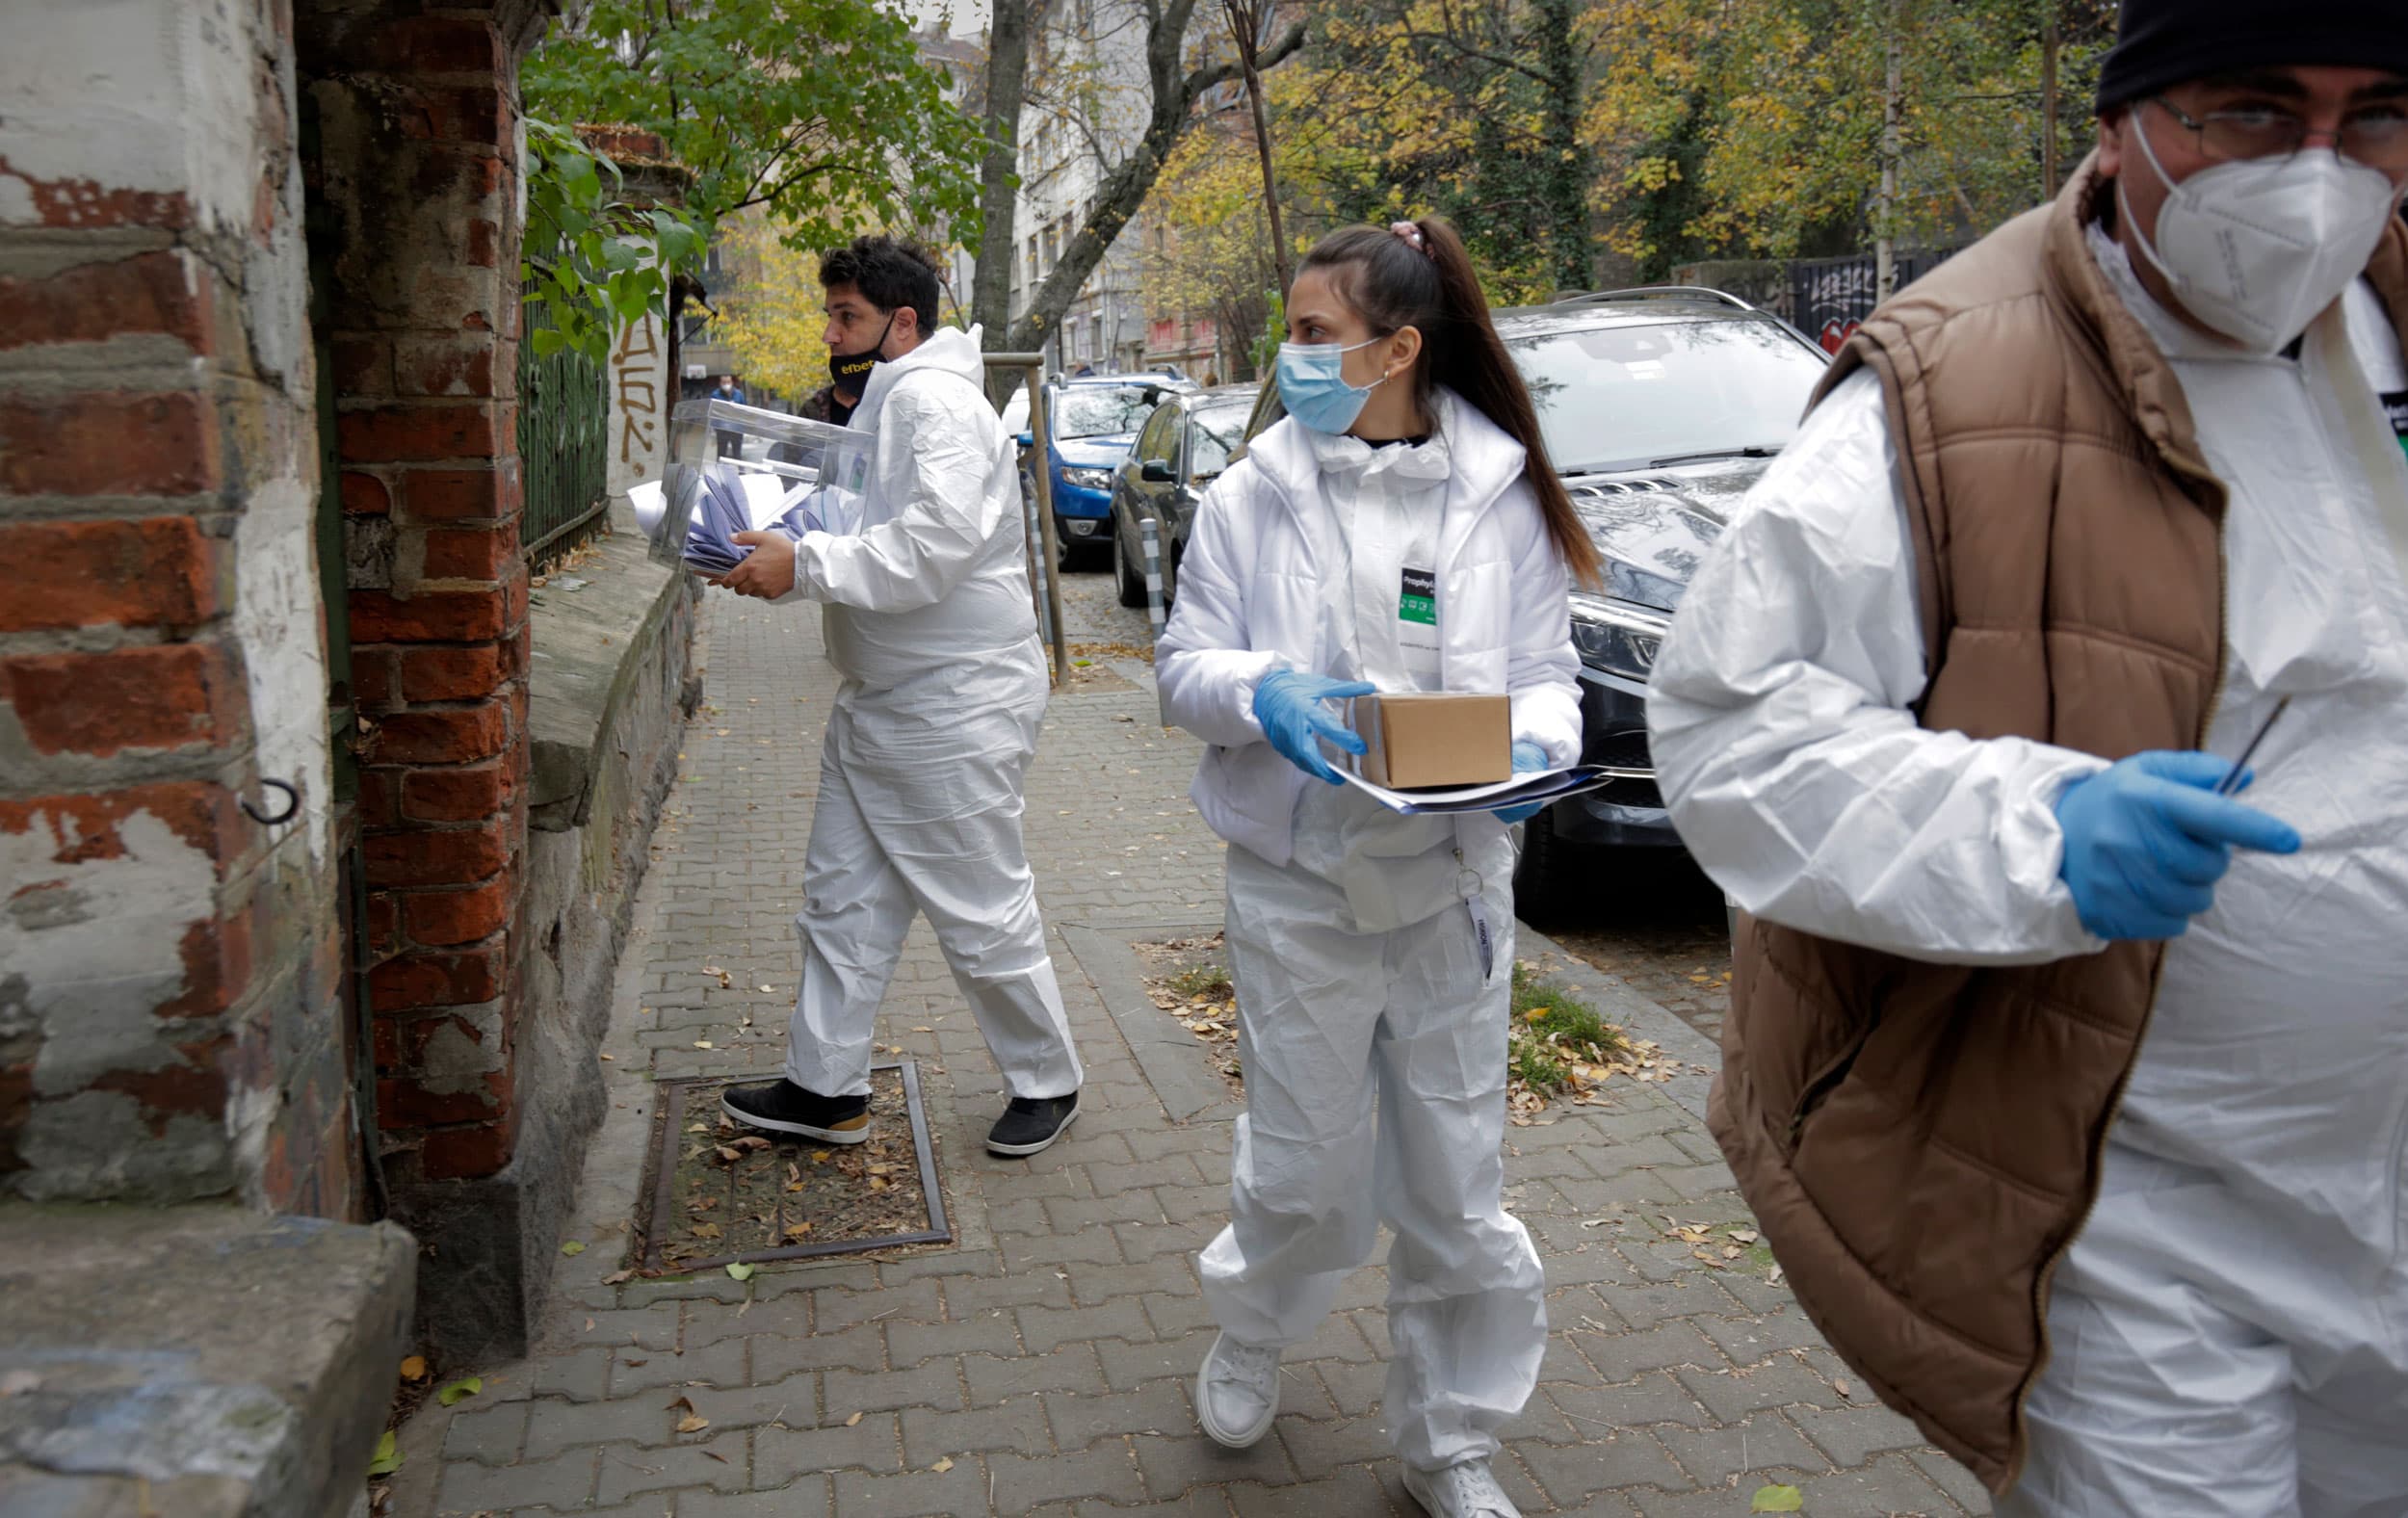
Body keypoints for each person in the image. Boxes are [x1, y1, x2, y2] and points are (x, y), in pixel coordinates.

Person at [1645, 4, 2408, 1511]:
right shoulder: (1950, 388)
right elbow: (1734, 728)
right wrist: (2045, 829)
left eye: (2373, 116)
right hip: (2135, 1222)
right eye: (2253, 112)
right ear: (2126, 121)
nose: (2318, 175)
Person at [1157, 217, 1597, 1518]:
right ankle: (1253, 1328)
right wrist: (1264, 689)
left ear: (1398, 349)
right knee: (1301, 1165)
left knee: (1458, 1180)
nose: (1284, 356)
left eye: (1310, 335)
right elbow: (1184, 670)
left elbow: (1552, 689)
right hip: (1298, 886)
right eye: (1286, 333)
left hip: (1450, 887)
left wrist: (1505, 748)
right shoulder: (1253, 492)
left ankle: (1449, 1437)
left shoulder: (1499, 497)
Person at [713, 235, 1085, 1158]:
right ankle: (823, 1085)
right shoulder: (885, 409)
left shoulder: (932, 399)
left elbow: (937, 542)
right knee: (841, 899)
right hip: (883, 699)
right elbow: (863, 529)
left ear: (903, 323)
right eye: (830, 314)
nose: (832, 333)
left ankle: (1048, 1078)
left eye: (849, 317)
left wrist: (806, 565)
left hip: (953, 703)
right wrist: (786, 553)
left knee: (977, 902)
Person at [713, 375, 748, 458]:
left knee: (737, 455)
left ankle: (740, 470)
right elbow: (713, 411)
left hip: (736, 429)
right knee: (721, 455)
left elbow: (745, 410)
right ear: (720, 383)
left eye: (728, 382)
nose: (726, 384)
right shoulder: (715, 395)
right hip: (722, 429)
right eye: (724, 382)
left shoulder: (738, 394)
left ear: (732, 382)